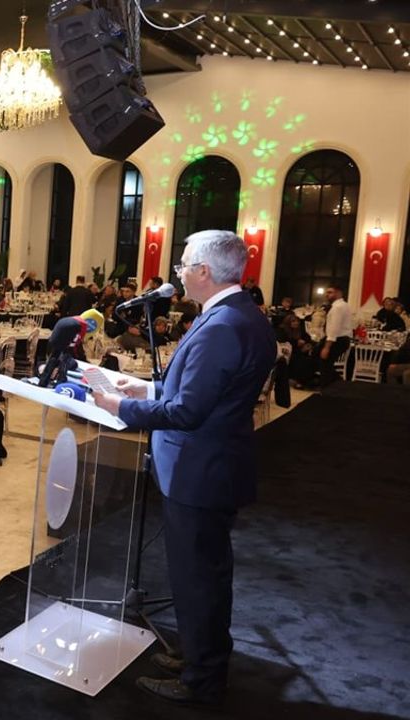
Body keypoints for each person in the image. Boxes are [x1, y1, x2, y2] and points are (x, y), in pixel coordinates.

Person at [95, 230, 275, 706]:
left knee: (199, 579)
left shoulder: (221, 326)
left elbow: (189, 412)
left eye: (183, 266)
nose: (178, 274)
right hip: (213, 464)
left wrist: (121, 406)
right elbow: (206, 393)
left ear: (204, 272)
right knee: (203, 574)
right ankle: (199, 654)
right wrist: (147, 390)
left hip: (200, 470)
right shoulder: (241, 315)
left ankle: (203, 678)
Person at [315, 284, 352, 386]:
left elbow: (334, 328)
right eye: (327, 292)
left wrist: (327, 347)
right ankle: (338, 384)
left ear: (339, 293)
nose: (327, 295)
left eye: (330, 292)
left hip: (337, 339)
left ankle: (329, 387)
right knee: (325, 364)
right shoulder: (344, 305)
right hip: (342, 339)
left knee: (325, 365)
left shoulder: (338, 307)